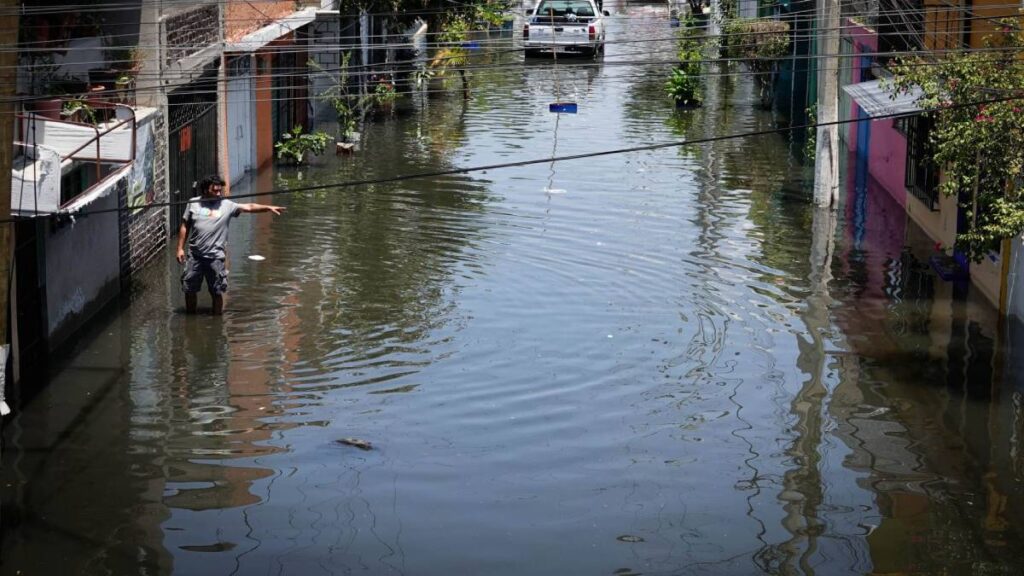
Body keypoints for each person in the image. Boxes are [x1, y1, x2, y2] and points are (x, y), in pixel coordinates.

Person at [176, 175, 285, 315]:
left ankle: (217, 323)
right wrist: (179, 248)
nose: (218, 194)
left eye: (220, 191)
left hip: (215, 258)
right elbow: (185, 225)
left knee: (216, 292)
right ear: (205, 190)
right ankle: (190, 320)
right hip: (195, 257)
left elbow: (249, 207)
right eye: (215, 191)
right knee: (189, 290)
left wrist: (268, 208)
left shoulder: (227, 205)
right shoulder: (193, 203)